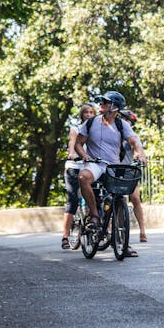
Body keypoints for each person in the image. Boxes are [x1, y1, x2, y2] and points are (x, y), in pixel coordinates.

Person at [75, 91, 147, 239]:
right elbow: (78, 144)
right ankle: (94, 215)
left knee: (120, 199)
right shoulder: (90, 123)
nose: (101, 104)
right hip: (95, 163)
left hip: (113, 166)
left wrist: (140, 153)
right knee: (83, 177)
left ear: (115, 107)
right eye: (101, 102)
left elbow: (134, 142)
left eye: (106, 102)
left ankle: (122, 241)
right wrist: (84, 155)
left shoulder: (122, 125)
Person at [61, 103, 97, 249]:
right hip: (74, 166)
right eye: (86, 112)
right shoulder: (76, 128)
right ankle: (65, 236)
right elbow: (72, 142)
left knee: (96, 197)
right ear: (82, 115)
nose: (88, 115)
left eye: (91, 112)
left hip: (89, 167)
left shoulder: (96, 130)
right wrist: (71, 154)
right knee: (73, 200)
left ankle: (97, 228)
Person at [120, 109, 148, 243]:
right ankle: (116, 229)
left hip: (128, 170)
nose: (125, 122)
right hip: (112, 169)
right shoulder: (113, 133)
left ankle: (142, 230)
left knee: (135, 198)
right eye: (123, 119)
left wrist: (140, 157)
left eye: (128, 120)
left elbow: (139, 150)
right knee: (117, 200)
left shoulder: (133, 136)